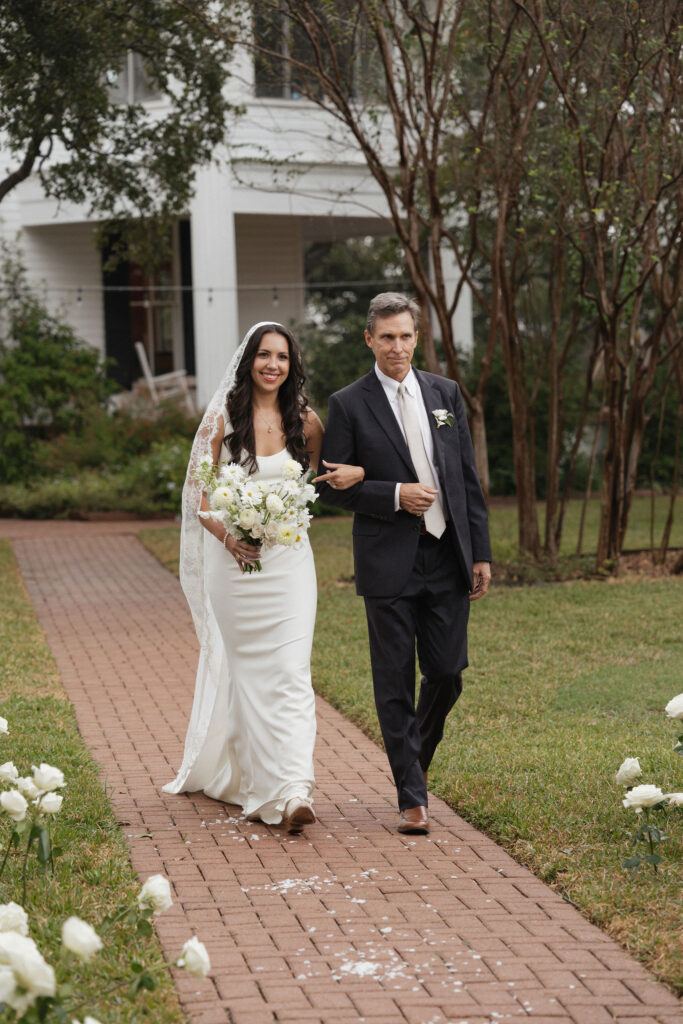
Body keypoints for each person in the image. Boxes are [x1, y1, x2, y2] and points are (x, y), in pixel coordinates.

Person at [163, 321, 362, 834]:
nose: (273, 365)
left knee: (293, 673)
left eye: (282, 357)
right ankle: (261, 786)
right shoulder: (222, 422)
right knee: (251, 680)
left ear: (292, 365)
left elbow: (319, 487)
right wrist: (231, 537)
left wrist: (358, 476)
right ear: (248, 361)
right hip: (235, 570)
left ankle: (295, 789)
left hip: (291, 566)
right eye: (264, 355)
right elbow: (199, 500)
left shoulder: (308, 422)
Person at [314, 293, 492, 835]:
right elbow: (332, 490)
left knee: (447, 672)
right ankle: (411, 795)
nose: (397, 346)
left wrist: (479, 550)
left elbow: (464, 477)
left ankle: (412, 758)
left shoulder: (445, 393)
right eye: (387, 337)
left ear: (418, 338)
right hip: (388, 560)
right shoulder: (347, 403)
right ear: (369, 339)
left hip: (446, 555)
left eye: (406, 336)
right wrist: (394, 494)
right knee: (393, 678)